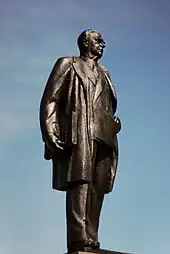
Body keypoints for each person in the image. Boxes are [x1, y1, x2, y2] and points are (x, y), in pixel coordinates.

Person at [39, 29, 121, 253]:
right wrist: (50, 132)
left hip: (104, 137)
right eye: (97, 40)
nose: (102, 44)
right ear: (85, 43)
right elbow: (50, 100)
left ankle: (92, 238)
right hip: (80, 133)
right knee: (80, 183)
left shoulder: (105, 73)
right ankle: (79, 239)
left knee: (98, 187)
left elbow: (106, 104)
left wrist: (113, 121)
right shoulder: (68, 64)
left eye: (102, 40)